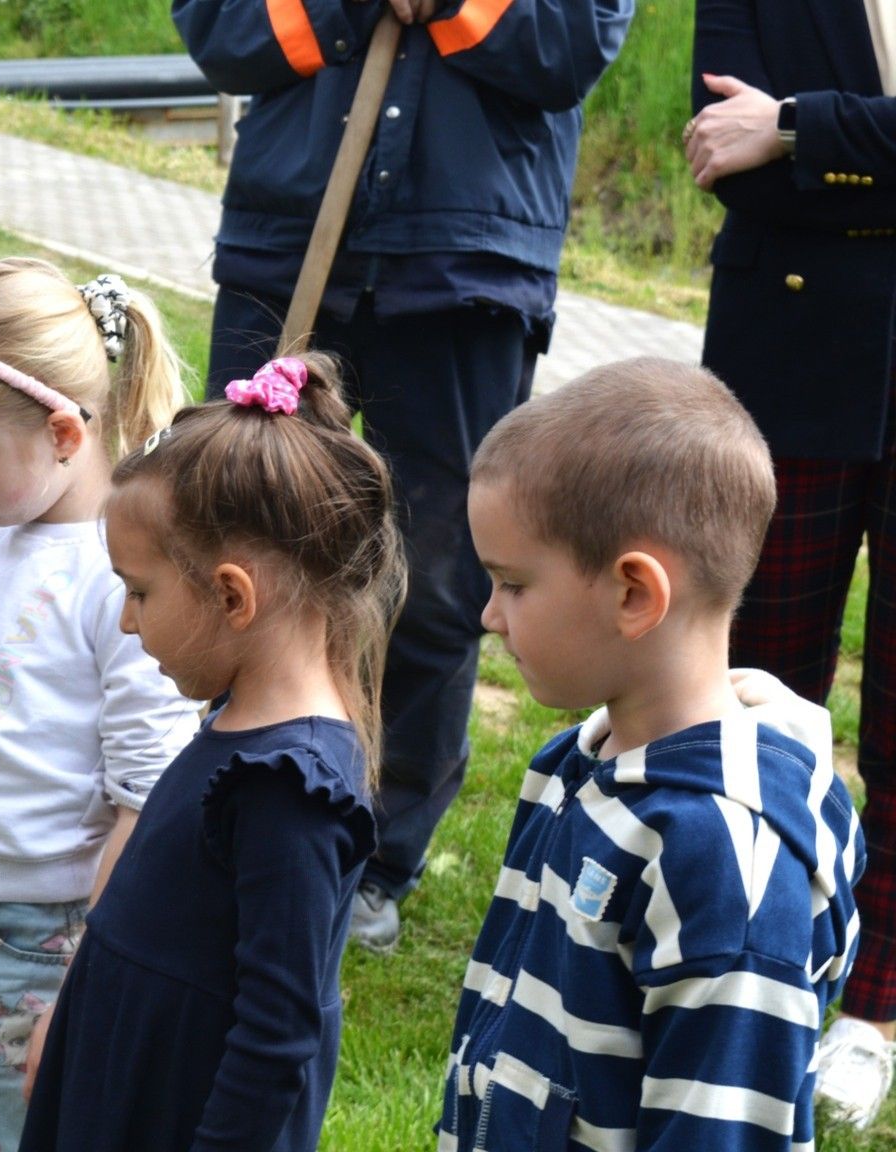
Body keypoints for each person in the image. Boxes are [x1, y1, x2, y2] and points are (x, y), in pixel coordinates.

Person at [173, 0, 633, 952]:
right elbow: (221, 30)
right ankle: (218, 798)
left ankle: (375, 860)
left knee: (437, 579)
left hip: (470, 258)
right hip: (290, 236)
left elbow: (569, 48)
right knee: (239, 542)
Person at [436, 359, 864, 1151]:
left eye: (513, 584)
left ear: (635, 593)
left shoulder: (722, 869)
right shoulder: (575, 765)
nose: (489, 614)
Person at [20, 353, 407, 1151]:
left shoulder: (289, 791)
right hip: (123, 1085)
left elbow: (276, 1038)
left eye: (140, 592)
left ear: (233, 596)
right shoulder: (242, 723)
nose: (127, 623)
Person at [0, 259, 200, 1151]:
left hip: (34, 950)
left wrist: (85, 984)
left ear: (64, 431)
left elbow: (147, 800)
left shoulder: (121, 585)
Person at [685, 0, 896, 1126]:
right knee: (758, 688)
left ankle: (870, 1010)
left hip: (819, 313)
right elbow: (728, 158)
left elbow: (776, 152)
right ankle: (747, 961)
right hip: (787, 356)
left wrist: (805, 129)